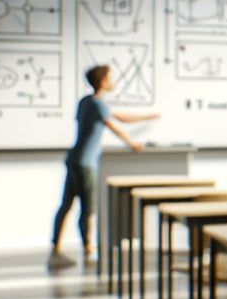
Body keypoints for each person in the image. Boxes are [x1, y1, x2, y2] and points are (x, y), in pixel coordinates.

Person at [49, 65, 159, 270]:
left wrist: (147, 117)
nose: (113, 81)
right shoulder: (99, 104)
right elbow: (116, 126)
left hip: (74, 158)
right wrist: (133, 144)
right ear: (102, 81)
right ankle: (88, 249)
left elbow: (120, 117)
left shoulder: (86, 101)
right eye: (110, 77)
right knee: (88, 207)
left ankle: (56, 248)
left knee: (66, 205)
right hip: (85, 163)